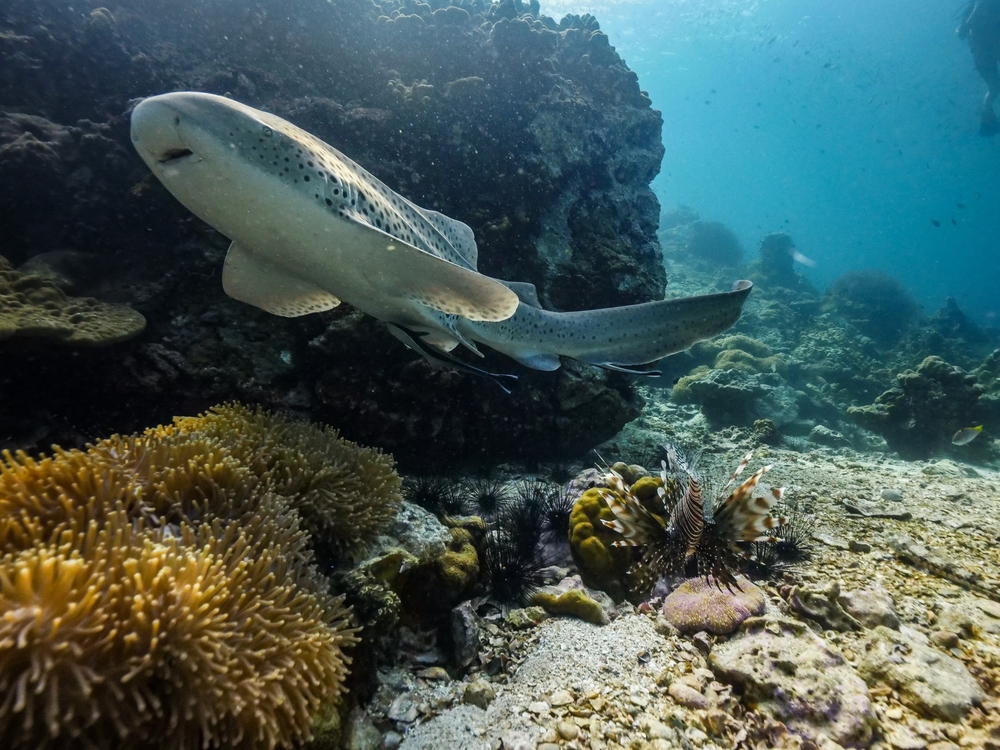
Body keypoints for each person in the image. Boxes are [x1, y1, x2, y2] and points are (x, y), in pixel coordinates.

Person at [958, 0, 1000, 136]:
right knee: (994, 88)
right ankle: (987, 114)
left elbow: (961, 33)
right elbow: (962, 32)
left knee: (994, 88)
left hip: (985, 52)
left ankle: (987, 113)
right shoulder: (980, 5)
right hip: (984, 53)